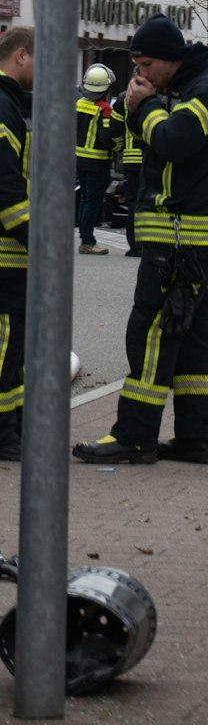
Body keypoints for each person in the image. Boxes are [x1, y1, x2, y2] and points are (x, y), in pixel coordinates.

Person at [73, 16, 208, 466]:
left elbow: (172, 141)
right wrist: (139, 106)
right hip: (188, 237)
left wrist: (144, 108)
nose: (139, 75)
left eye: (145, 65)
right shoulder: (182, 87)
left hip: (184, 239)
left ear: (169, 59)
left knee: (150, 331)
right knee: (196, 337)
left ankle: (135, 435)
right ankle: (195, 439)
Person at [0, 28, 34, 462]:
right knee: (6, 346)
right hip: (7, 253)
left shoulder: (12, 104)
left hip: (12, 252)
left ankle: (16, 426)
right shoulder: (5, 106)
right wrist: (37, 239)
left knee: (13, 347)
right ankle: (4, 433)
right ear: (21, 55)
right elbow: (6, 184)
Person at [75, 63, 119, 255]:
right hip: (98, 162)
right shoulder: (104, 110)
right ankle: (88, 241)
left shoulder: (78, 104)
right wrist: (119, 147)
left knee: (85, 199)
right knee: (92, 201)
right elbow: (106, 136)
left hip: (79, 160)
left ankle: (85, 238)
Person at [110, 81, 146, 255]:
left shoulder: (124, 98)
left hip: (131, 160)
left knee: (133, 203)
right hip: (151, 160)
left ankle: (134, 246)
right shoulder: (159, 96)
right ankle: (148, 244)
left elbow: (114, 129)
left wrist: (119, 147)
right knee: (150, 202)